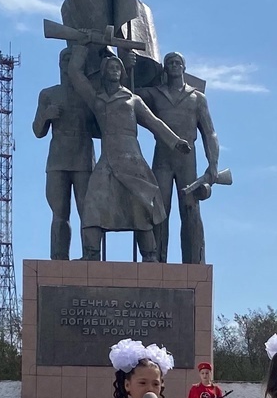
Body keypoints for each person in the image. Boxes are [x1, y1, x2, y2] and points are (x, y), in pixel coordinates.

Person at [66, 43, 192, 262]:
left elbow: (155, 123)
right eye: (111, 68)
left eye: (118, 68)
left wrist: (175, 141)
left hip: (132, 159)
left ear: (123, 73)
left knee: (141, 208)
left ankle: (150, 256)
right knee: (93, 206)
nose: (114, 70)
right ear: (104, 73)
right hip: (108, 160)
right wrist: (82, 46)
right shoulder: (96, 99)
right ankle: (91, 254)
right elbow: (76, 75)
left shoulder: (133, 100)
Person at [139, 52, 219, 264]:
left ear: (184, 68)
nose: (174, 66)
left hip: (187, 158)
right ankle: (156, 259)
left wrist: (213, 163)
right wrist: (129, 65)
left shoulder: (197, 98)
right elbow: (130, 96)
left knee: (190, 208)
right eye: (170, 63)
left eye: (178, 63)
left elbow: (209, 132)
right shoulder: (155, 94)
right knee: (159, 207)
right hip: (162, 157)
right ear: (165, 69)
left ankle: (193, 262)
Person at [32, 47, 96, 260]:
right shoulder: (48, 94)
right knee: (59, 212)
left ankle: (91, 255)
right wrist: (46, 116)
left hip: (84, 158)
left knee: (87, 212)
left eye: (73, 60)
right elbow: (37, 131)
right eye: (66, 60)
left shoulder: (88, 93)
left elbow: (105, 123)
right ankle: (59, 259)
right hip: (58, 160)